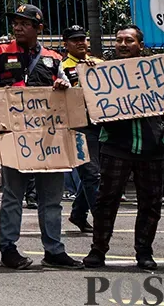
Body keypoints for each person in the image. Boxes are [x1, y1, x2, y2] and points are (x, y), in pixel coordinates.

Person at [0, 3, 81, 270]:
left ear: (38, 28)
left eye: (24, 23)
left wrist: (63, 84)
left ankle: (54, 250)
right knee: (12, 195)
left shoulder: (53, 58)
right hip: (13, 136)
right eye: (15, 22)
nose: (18, 27)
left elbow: (69, 85)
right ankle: (8, 249)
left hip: (49, 139)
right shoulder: (0, 51)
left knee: (51, 198)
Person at [83, 25, 164, 271]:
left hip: (152, 147)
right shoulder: (102, 72)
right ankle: (98, 250)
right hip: (116, 145)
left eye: (128, 40)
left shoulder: (158, 73)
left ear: (140, 45)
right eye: (118, 40)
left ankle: (144, 252)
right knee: (106, 200)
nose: (122, 44)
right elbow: (90, 107)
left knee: (150, 203)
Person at [61, 24, 100, 234]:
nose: (80, 43)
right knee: (92, 173)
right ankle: (101, 219)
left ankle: (78, 213)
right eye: (75, 40)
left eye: (83, 39)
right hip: (79, 126)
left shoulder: (99, 63)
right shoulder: (62, 66)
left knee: (92, 175)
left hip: (102, 124)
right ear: (66, 44)